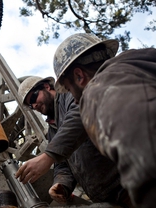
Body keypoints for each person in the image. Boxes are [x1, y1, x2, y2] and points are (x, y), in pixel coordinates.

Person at [52, 33, 156, 207]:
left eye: (70, 90)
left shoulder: (98, 89)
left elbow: (145, 150)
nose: (76, 101)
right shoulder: (141, 65)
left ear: (79, 76)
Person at [15, 76, 132, 206]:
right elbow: (63, 164)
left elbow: (79, 116)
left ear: (46, 87)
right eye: (31, 105)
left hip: (128, 182)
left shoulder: (70, 96)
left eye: (33, 98)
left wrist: (48, 156)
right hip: (105, 197)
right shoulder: (53, 130)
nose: (35, 105)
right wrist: (61, 184)